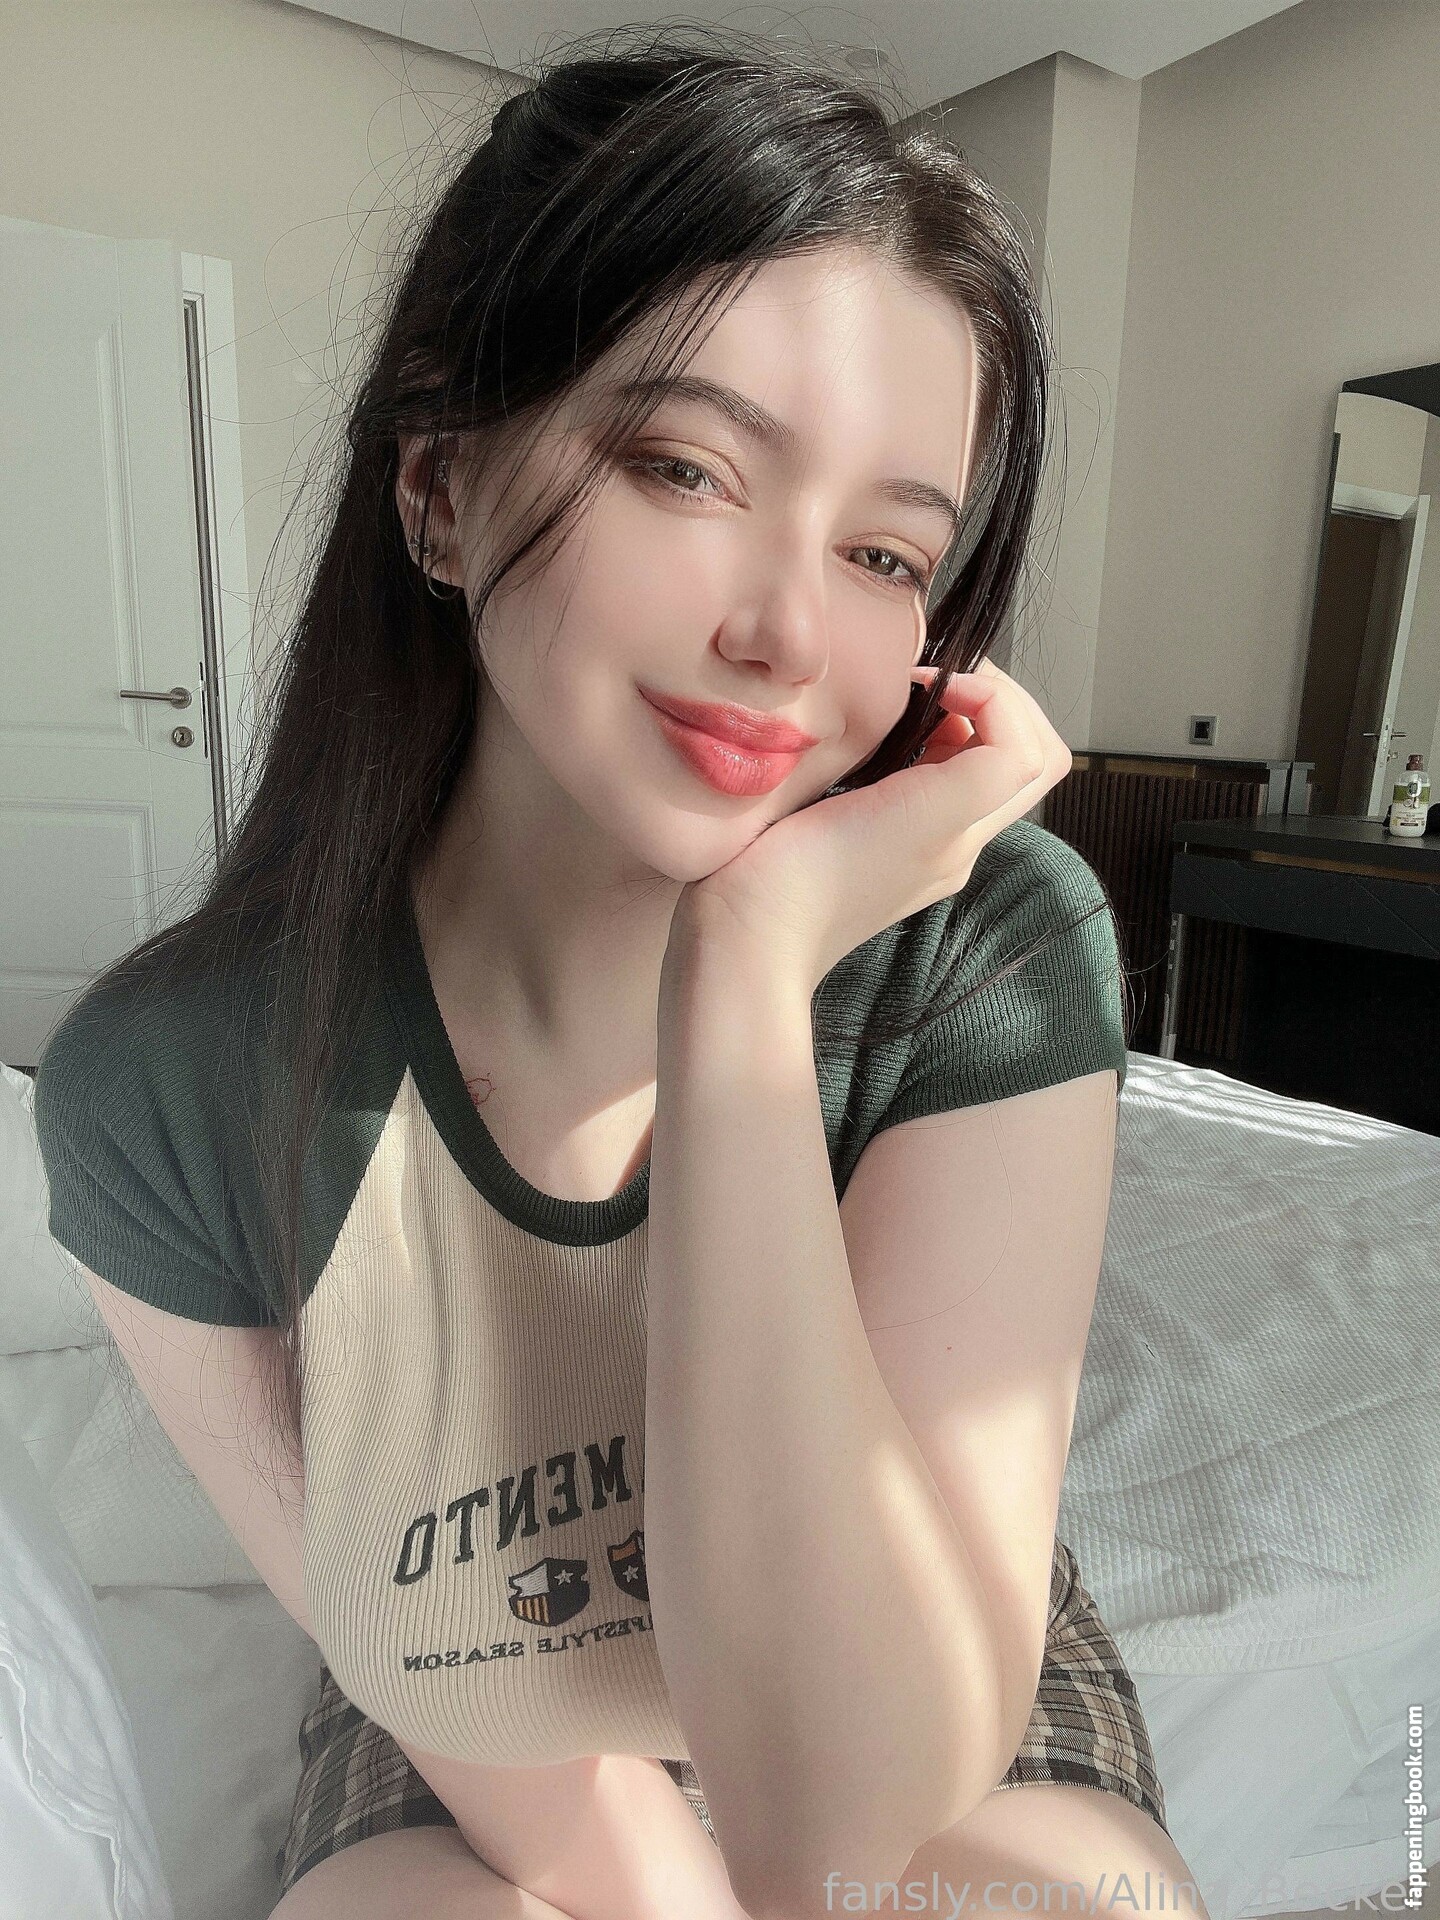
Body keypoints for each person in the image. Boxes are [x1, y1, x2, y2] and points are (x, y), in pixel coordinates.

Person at [31, 28, 1210, 1920]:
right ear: (439, 486)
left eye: (886, 555)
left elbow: (850, 1813)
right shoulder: (168, 1083)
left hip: (894, 1645)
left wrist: (744, 977)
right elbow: (479, 1725)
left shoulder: (983, 945)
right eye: (685, 466)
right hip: (472, 1670)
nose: (788, 633)